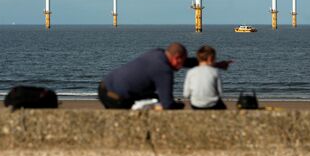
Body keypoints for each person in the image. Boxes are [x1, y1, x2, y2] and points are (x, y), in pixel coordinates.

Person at [98, 42, 232, 110]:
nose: (181, 67)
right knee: (158, 103)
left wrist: (216, 65)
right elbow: (167, 104)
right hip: (115, 96)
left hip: (104, 87)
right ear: (176, 58)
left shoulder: (157, 54)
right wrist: (180, 106)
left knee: (154, 99)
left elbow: (188, 62)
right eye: (181, 62)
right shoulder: (164, 70)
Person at [183, 45, 226, 110]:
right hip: (212, 104)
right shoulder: (215, 71)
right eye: (215, 58)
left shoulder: (191, 72)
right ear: (210, 58)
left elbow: (186, 94)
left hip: (195, 104)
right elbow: (220, 92)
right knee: (223, 108)